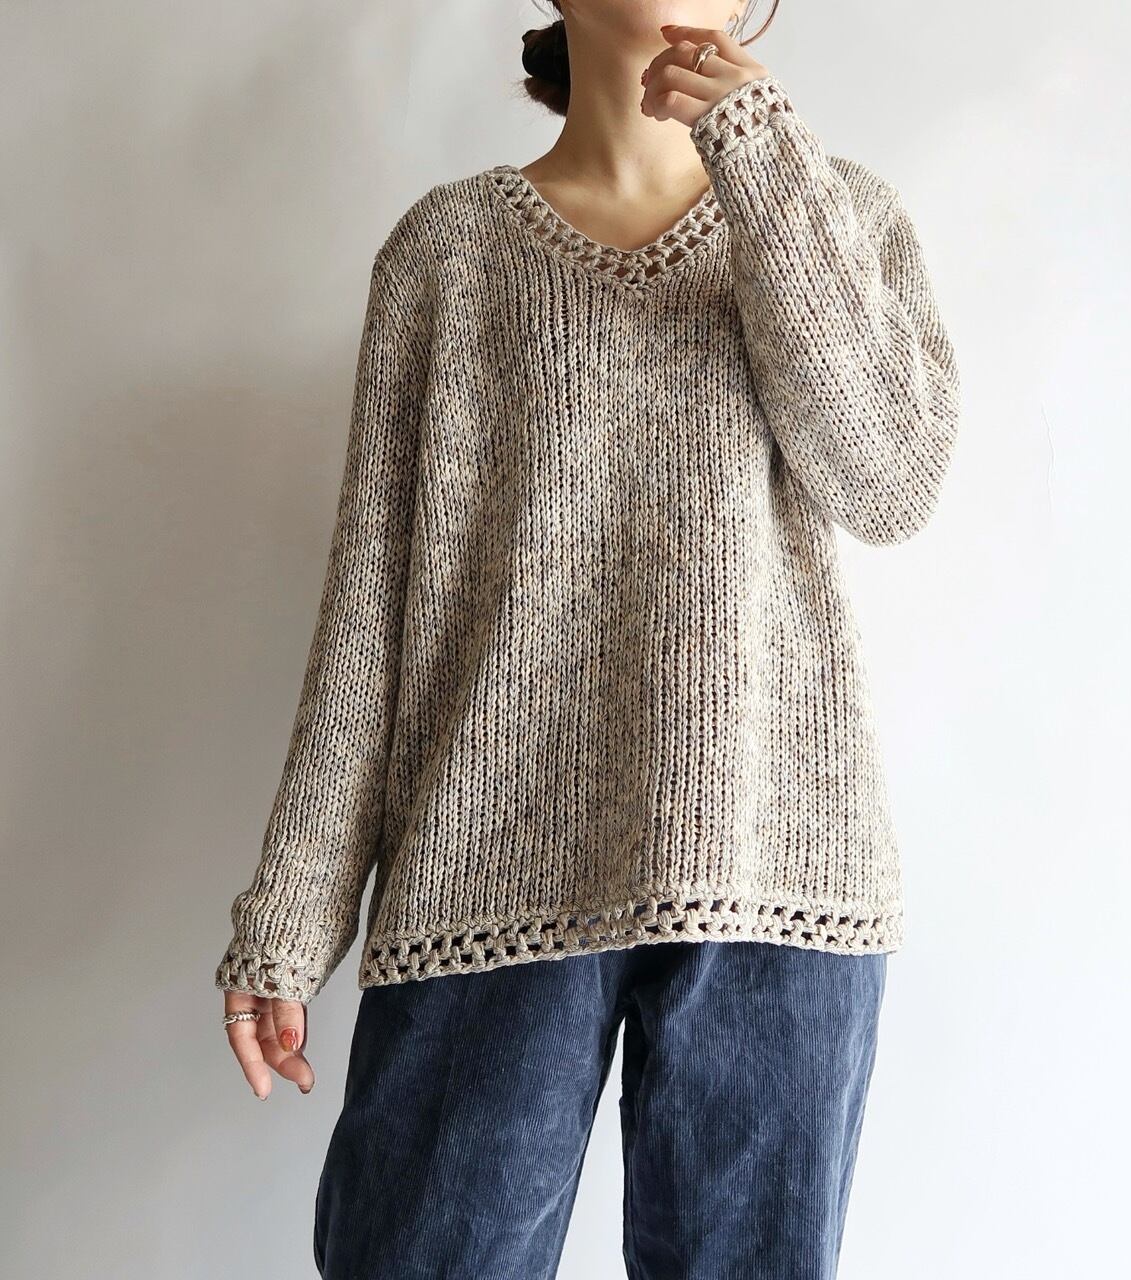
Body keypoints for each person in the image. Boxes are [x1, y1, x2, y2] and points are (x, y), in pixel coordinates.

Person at [214, 2, 960, 1276]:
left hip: (774, 864)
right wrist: (291, 909)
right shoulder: (447, 253)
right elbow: (372, 610)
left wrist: (759, 154)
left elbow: (888, 482)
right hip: (487, 860)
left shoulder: (834, 211)